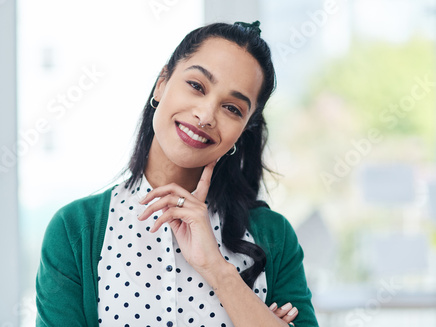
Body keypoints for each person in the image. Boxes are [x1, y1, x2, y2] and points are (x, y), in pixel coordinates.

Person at [35, 21, 319, 327]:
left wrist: (218, 270)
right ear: (162, 83)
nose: (206, 115)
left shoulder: (273, 237)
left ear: (243, 130)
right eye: (197, 86)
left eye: (232, 108)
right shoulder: (77, 230)